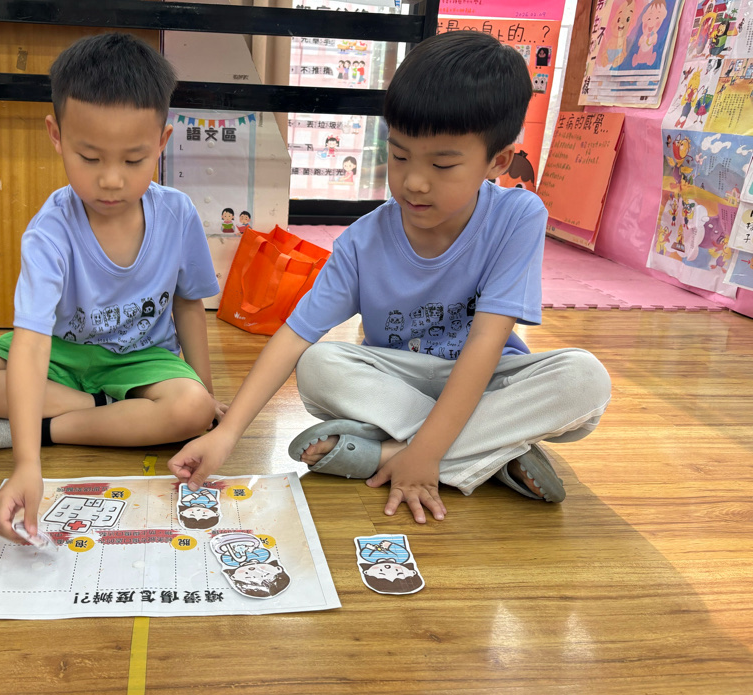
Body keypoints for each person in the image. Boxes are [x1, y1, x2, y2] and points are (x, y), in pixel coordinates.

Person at [168, 31, 611, 523]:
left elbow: (487, 343)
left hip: (486, 378)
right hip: (399, 380)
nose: (413, 181)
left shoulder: (518, 216)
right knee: (318, 365)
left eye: (443, 164)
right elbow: (295, 336)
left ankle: (392, 453)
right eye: (399, 156)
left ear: (498, 162)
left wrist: (423, 455)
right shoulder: (364, 240)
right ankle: (493, 453)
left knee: (584, 380)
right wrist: (228, 433)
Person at [0, 33, 224, 542]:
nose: (111, 180)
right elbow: (31, 343)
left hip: (141, 360)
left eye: (133, 160)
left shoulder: (177, 213)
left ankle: (47, 427)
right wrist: (26, 466)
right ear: (57, 135)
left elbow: (187, 303)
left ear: (161, 142)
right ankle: (101, 414)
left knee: (192, 409)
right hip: (61, 356)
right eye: (89, 157)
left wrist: (208, 394)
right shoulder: (51, 230)